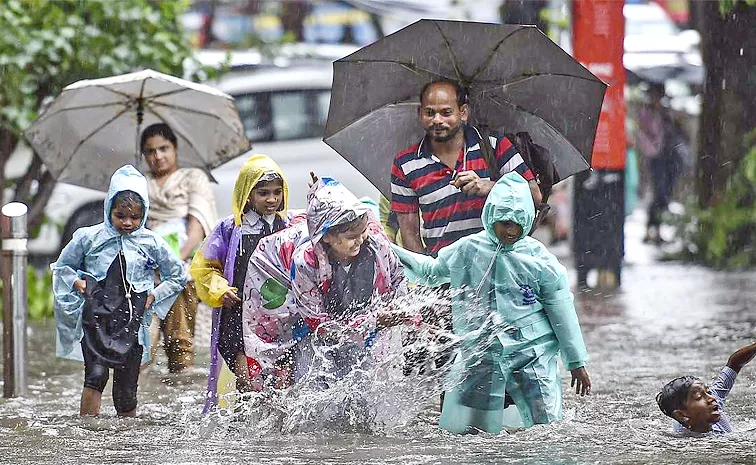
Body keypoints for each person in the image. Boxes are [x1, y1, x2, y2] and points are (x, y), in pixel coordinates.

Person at [392, 172, 591, 434]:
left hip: (530, 354)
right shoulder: (468, 249)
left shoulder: (539, 261)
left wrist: (576, 362)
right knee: (470, 435)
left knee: (547, 431)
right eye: (503, 223)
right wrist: (387, 248)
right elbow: (430, 271)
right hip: (482, 353)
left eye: (516, 224)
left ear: (528, 221)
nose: (509, 231)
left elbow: (561, 310)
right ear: (490, 217)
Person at [52, 165, 186, 417]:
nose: (127, 222)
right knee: (95, 376)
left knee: (126, 391)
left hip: (132, 322)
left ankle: (126, 442)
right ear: (108, 209)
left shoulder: (152, 242)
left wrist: (154, 296)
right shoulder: (88, 238)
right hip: (96, 320)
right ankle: (89, 433)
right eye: (120, 215)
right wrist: (79, 283)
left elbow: (177, 275)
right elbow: (62, 267)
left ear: (144, 213)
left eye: (134, 217)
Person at [391, 79, 541, 257]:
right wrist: (426, 275)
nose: (437, 120)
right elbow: (409, 234)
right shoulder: (405, 163)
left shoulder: (493, 145)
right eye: (429, 113)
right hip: (444, 275)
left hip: (500, 268)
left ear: (463, 113)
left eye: (446, 113)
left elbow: (534, 195)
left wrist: (490, 187)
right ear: (420, 112)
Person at [189, 154, 290, 412]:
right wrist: (220, 290)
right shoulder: (230, 230)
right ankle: (243, 431)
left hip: (278, 318)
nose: (272, 199)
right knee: (247, 381)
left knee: (281, 383)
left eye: (277, 192)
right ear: (247, 193)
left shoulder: (287, 227)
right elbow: (204, 268)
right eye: (263, 193)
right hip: (238, 315)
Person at [288, 176, 411, 384]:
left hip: (364, 331)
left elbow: (398, 278)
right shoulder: (306, 263)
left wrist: (402, 314)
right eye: (352, 237)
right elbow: (319, 325)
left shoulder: (376, 246)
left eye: (362, 232)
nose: (360, 241)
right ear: (325, 236)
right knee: (316, 392)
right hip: (313, 336)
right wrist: (374, 322)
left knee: (363, 390)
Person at [141, 123, 217, 373]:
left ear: (175, 148)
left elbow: (198, 226)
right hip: (145, 269)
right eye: (150, 151)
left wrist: (173, 262)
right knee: (141, 346)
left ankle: (180, 379)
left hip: (183, 265)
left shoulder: (192, 178)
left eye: (163, 148)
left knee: (179, 340)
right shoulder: (140, 184)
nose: (158, 156)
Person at [656, 341, 756, 435]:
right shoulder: (683, 442)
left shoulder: (714, 400)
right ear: (682, 415)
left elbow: (734, 364)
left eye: (708, 392)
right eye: (699, 397)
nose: (712, 398)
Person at [635, 83, 686, 244]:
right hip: (656, 157)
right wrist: (654, 148)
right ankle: (652, 229)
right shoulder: (646, 113)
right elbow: (643, 135)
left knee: (665, 194)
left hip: (669, 157)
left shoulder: (665, 113)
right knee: (660, 192)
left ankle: (656, 229)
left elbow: (674, 132)